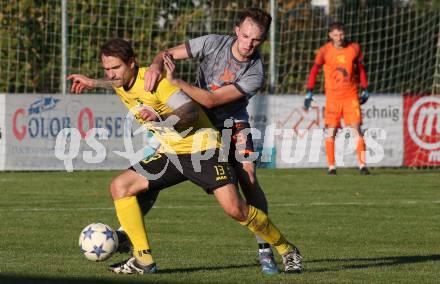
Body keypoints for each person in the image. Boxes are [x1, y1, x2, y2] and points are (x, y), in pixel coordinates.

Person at [68, 38, 302, 274]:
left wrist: (160, 120)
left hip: (202, 148)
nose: (111, 75)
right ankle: (143, 260)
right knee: (120, 187)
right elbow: (117, 83)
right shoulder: (121, 81)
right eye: (106, 69)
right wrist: (92, 82)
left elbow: (189, 112)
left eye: (115, 68)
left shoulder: (156, 83)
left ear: (132, 63)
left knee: (236, 209)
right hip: (171, 152)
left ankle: (286, 248)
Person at [143, 7, 290, 274]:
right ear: (237, 31)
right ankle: (128, 238)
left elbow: (212, 100)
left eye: (256, 40)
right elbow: (164, 54)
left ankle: (265, 249)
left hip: (232, 124)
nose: (248, 44)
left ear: (263, 41)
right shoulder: (212, 43)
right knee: (154, 171)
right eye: (245, 36)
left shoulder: (255, 72)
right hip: (195, 121)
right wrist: (155, 66)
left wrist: (176, 81)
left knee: (249, 178)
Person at [304, 22, 371, 175]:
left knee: (356, 129)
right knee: (331, 131)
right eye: (335, 35)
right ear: (330, 35)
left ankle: (362, 165)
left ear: (344, 34)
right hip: (333, 98)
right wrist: (309, 90)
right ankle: (332, 167)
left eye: (341, 34)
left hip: (351, 96)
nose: (339, 37)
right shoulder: (324, 51)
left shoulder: (354, 48)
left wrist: (365, 88)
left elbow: (361, 69)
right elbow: (314, 70)